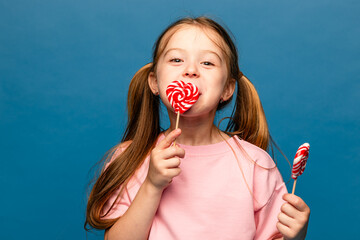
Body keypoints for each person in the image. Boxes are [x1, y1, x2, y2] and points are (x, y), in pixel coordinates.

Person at [84, 16, 310, 240]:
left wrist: (295, 237)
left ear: (227, 89)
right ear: (154, 82)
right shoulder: (130, 158)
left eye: (207, 63)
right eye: (175, 60)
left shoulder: (255, 164)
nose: (191, 70)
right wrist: (152, 185)